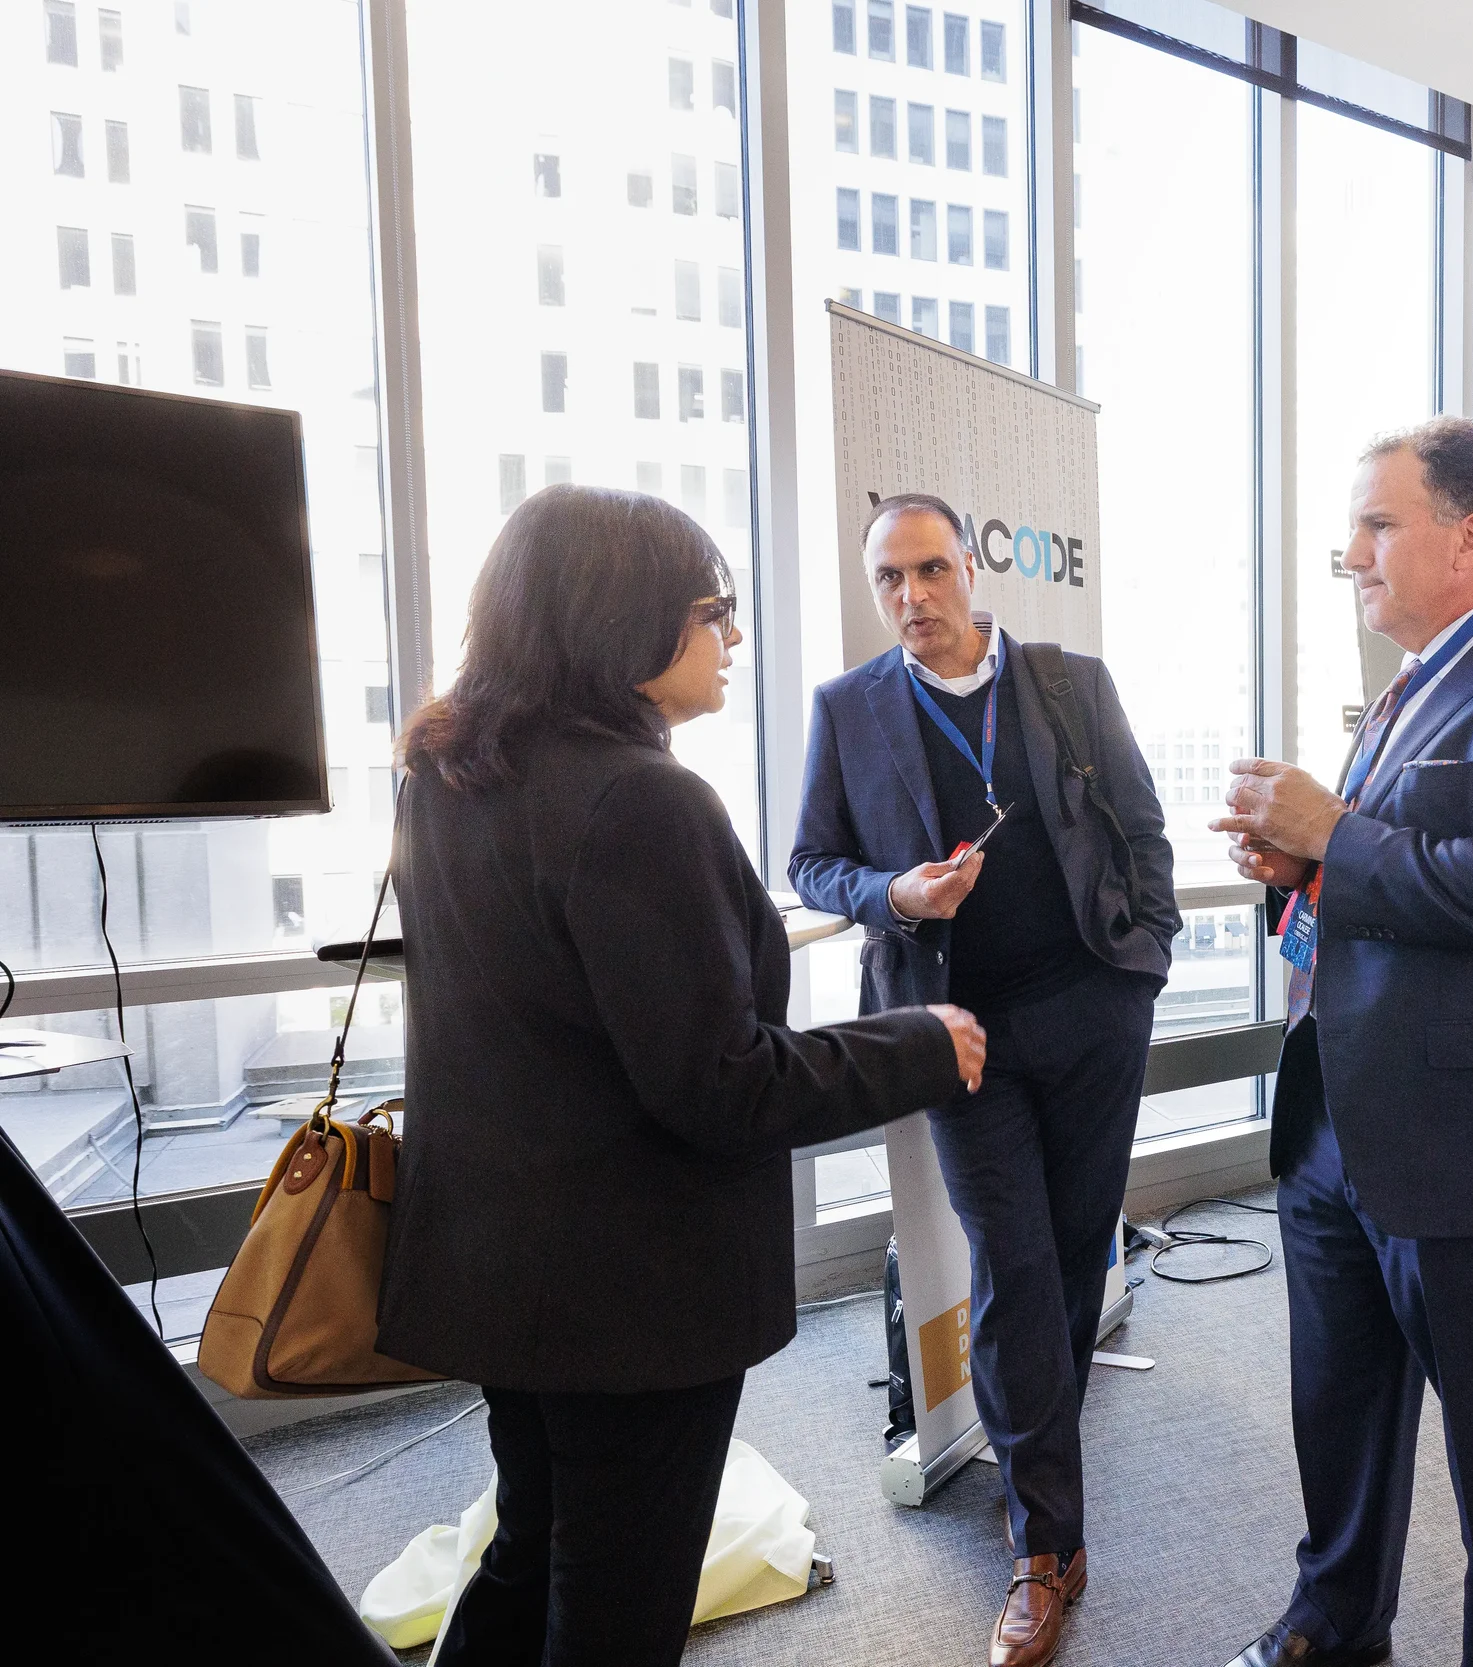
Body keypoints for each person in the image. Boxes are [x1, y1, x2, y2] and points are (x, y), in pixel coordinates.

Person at [380, 486, 981, 1667]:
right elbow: (723, 1084)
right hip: (627, 1292)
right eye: (714, 609)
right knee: (616, 1605)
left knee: (531, 1541)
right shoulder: (640, 801)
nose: (733, 638)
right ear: (623, 618)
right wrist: (921, 1041)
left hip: (501, 1267)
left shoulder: (448, 777)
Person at [1212, 417, 1473, 1667]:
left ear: (1472, 536)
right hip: (1337, 1124)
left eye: (1377, 522)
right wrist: (1304, 860)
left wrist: (1331, 832)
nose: (1348, 551)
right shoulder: (1407, 687)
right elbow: (1397, 872)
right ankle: (1335, 1620)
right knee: (1338, 1413)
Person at [789, 493, 1179, 1667]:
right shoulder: (849, 708)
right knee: (1009, 1264)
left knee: (1067, 1262)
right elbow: (811, 860)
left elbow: (1143, 828)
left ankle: (1038, 1473)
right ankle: (1041, 1544)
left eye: (927, 571)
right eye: (888, 582)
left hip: (1091, 1010)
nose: (911, 598)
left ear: (972, 567)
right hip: (958, 1030)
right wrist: (894, 895)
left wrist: (1143, 965)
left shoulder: (1068, 682)